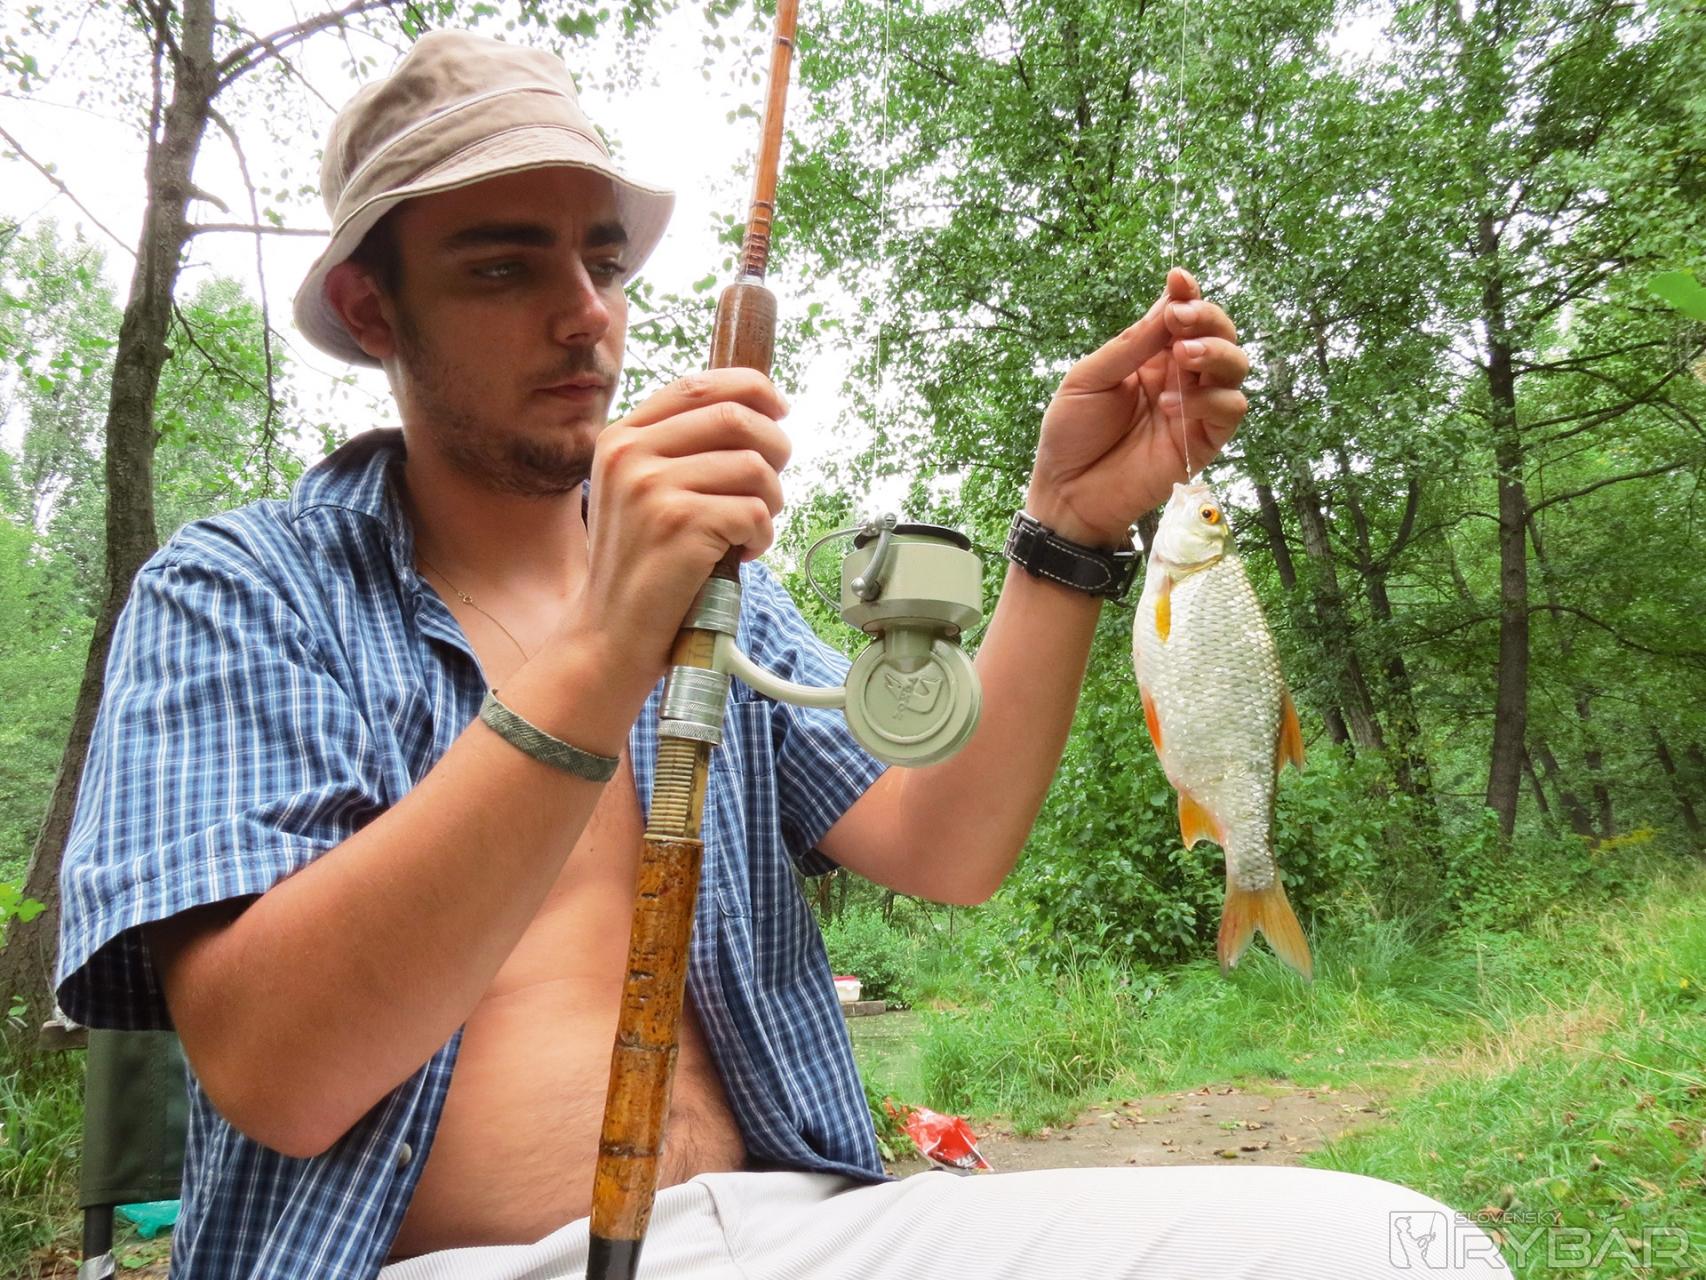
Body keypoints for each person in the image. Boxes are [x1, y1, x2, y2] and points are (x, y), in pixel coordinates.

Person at [54, 30, 1510, 1280]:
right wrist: (606, 642)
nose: (585, 313)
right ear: (374, 308)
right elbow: (280, 1075)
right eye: (502, 266)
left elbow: (943, 842)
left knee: (1403, 1248)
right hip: (439, 1262)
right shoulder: (241, 591)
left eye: (602, 260)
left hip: (810, 1228)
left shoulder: (717, 597)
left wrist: (1066, 529)